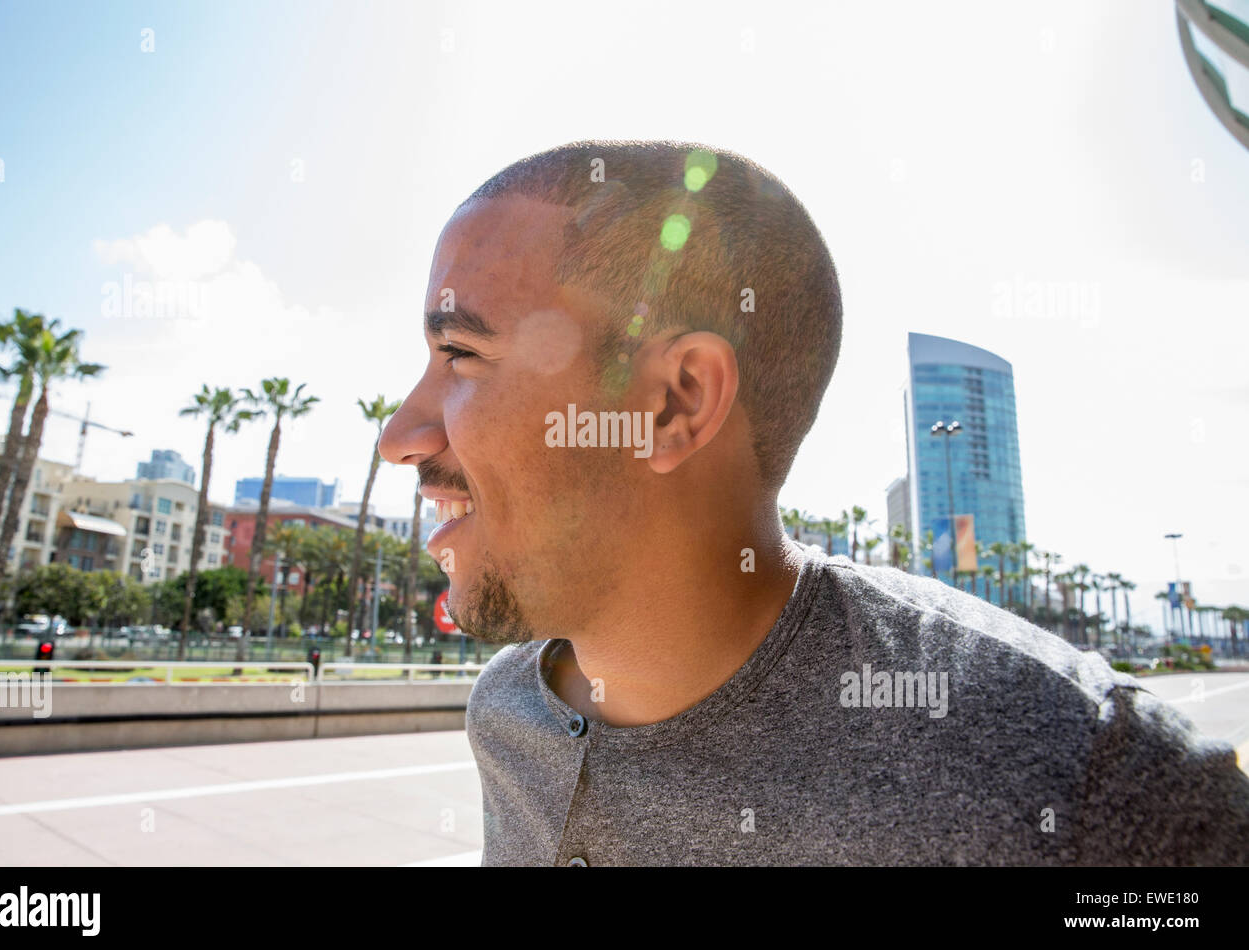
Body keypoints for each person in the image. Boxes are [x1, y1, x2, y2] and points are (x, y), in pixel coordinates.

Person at [378, 140, 1249, 866]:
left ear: (675, 403)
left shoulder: (1081, 773)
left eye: (459, 353)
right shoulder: (507, 713)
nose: (400, 434)